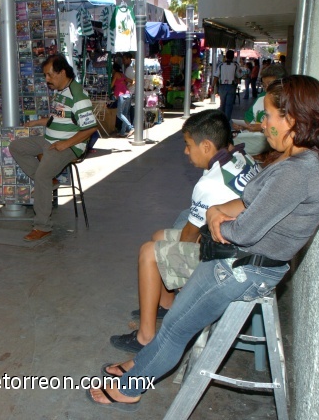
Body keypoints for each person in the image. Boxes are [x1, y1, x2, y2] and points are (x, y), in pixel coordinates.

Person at [89, 75, 319, 410]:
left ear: (291, 119)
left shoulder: (299, 171)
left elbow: (244, 231)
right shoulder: (299, 161)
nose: (263, 124)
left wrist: (219, 221)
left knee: (176, 328)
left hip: (241, 269)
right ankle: (142, 363)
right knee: (176, 320)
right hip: (246, 262)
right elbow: (249, 203)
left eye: (268, 115)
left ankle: (130, 387)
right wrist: (219, 212)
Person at [109, 110, 261, 353]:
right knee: (160, 236)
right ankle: (167, 304)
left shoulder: (211, 183)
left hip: (229, 263)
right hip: (243, 244)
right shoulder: (242, 158)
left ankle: (145, 336)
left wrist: (172, 260)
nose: (185, 151)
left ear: (207, 146)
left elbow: (188, 237)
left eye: (189, 145)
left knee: (149, 252)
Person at [9, 54, 97, 241]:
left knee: (42, 175)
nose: (47, 79)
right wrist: (37, 123)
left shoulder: (77, 96)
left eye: (49, 75)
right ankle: (49, 183)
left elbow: (91, 128)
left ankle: (42, 226)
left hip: (70, 146)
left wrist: (65, 144)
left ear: (62, 72)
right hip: (50, 140)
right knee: (16, 147)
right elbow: (57, 117)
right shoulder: (60, 91)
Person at [232, 64, 288, 157]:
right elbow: (249, 118)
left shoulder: (283, 100)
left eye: (269, 84)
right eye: (264, 85)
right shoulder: (262, 96)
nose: (266, 88)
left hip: (265, 139)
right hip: (253, 136)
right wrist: (243, 126)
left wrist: (260, 128)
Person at [212, 49, 242, 122]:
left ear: (226, 56)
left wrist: (212, 86)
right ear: (233, 57)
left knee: (222, 104)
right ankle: (226, 120)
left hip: (222, 86)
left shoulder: (221, 65)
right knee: (229, 105)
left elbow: (216, 76)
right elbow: (239, 76)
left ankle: (221, 119)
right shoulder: (235, 65)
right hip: (231, 86)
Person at [111, 64, 134, 138]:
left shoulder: (116, 74)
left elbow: (111, 85)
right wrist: (126, 86)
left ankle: (131, 127)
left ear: (114, 69)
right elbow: (133, 81)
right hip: (128, 95)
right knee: (125, 114)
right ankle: (122, 132)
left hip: (121, 96)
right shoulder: (123, 75)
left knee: (119, 114)